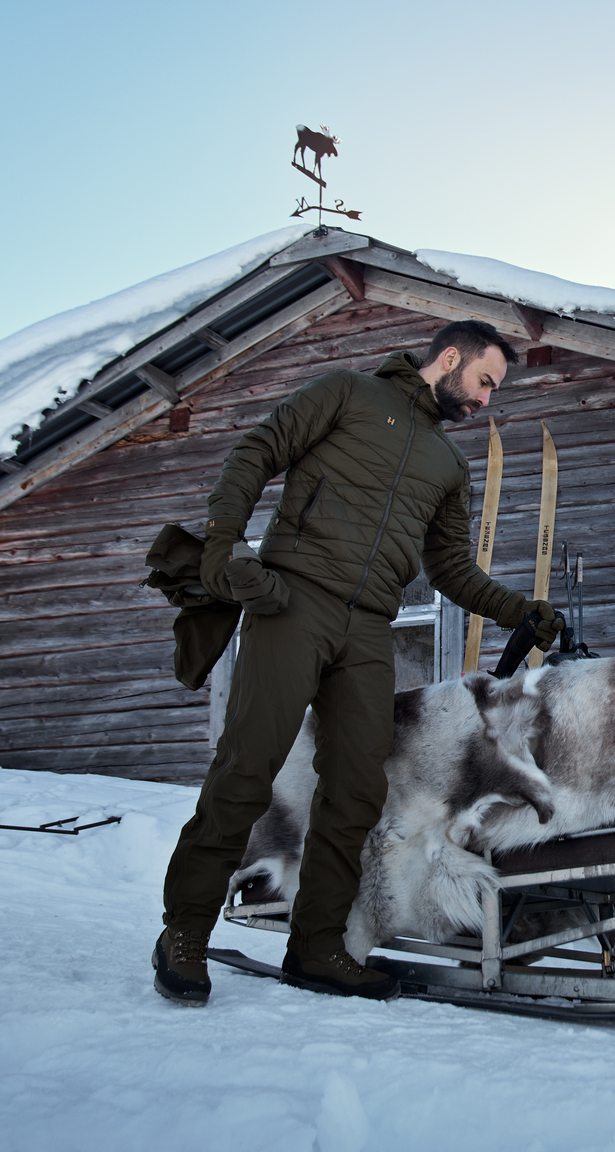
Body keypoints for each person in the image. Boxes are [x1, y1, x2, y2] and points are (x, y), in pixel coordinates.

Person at [152, 319, 561, 1006]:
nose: (488, 400)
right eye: (485, 382)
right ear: (451, 357)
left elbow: (452, 567)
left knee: (355, 791)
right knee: (248, 766)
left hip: (370, 626)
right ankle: (184, 932)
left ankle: (316, 943)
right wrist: (227, 540)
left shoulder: (447, 464)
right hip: (293, 602)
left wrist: (517, 607)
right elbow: (257, 450)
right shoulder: (346, 394)